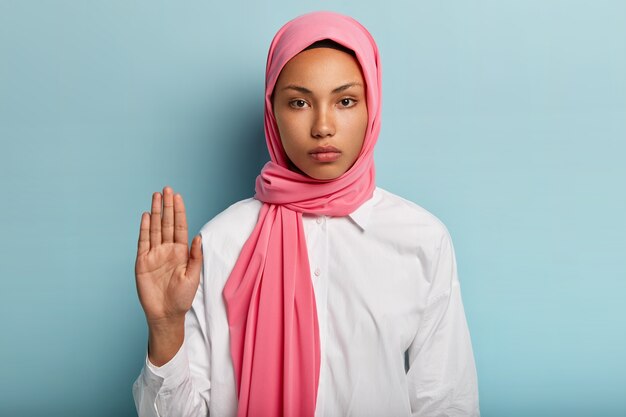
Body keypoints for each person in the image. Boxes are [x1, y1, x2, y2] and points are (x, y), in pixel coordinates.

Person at [132, 10, 480, 417]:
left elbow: (447, 403)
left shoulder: (421, 238)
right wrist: (165, 328)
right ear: (272, 113)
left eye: (346, 100)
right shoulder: (222, 242)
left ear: (372, 108)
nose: (323, 126)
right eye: (299, 102)